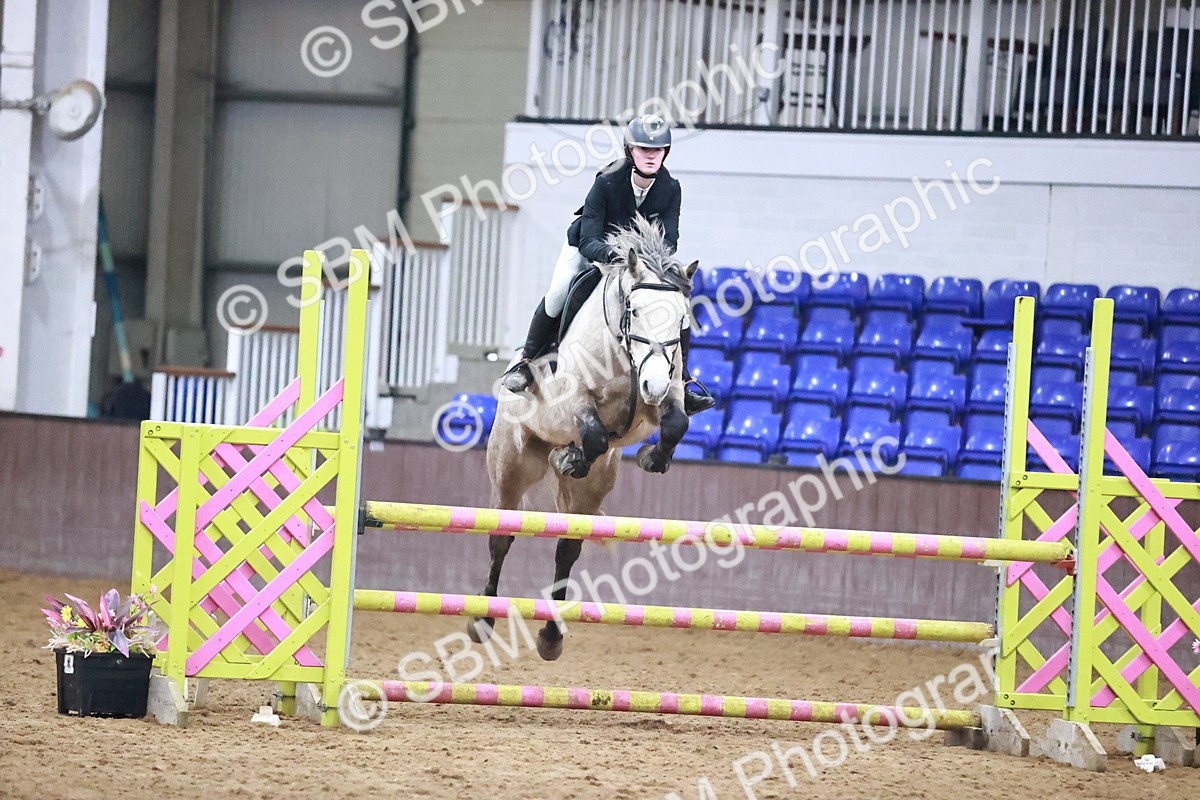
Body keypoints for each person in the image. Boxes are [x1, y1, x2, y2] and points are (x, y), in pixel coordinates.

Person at [500, 114, 715, 415]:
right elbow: (589, 239)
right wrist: (617, 256)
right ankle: (527, 362)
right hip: (591, 249)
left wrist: (646, 262)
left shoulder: (671, 188)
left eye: (657, 150)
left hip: (639, 261)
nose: (651, 156)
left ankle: (683, 382)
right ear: (630, 150)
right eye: (644, 149)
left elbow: (670, 241)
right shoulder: (607, 181)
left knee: (679, 310)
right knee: (559, 291)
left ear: (665, 152)